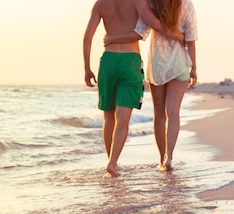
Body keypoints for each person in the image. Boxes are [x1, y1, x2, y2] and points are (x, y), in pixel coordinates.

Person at [83, 0, 184, 177]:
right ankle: (112, 163)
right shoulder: (138, 2)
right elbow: (153, 26)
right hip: (130, 61)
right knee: (123, 118)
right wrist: (178, 36)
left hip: (108, 60)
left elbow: (87, 37)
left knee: (108, 115)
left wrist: (87, 68)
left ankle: (111, 161)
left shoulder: (100, 4)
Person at [105, 0, 197, 172]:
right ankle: (169, 157)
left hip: (157, 64)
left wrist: (113, 38)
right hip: (180, 63)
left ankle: (162, 158)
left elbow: (140, 32)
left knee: (159, 114)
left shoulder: (152, 4)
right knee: (173, 112)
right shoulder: (187, 4)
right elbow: (190, 39)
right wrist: (194, 68)